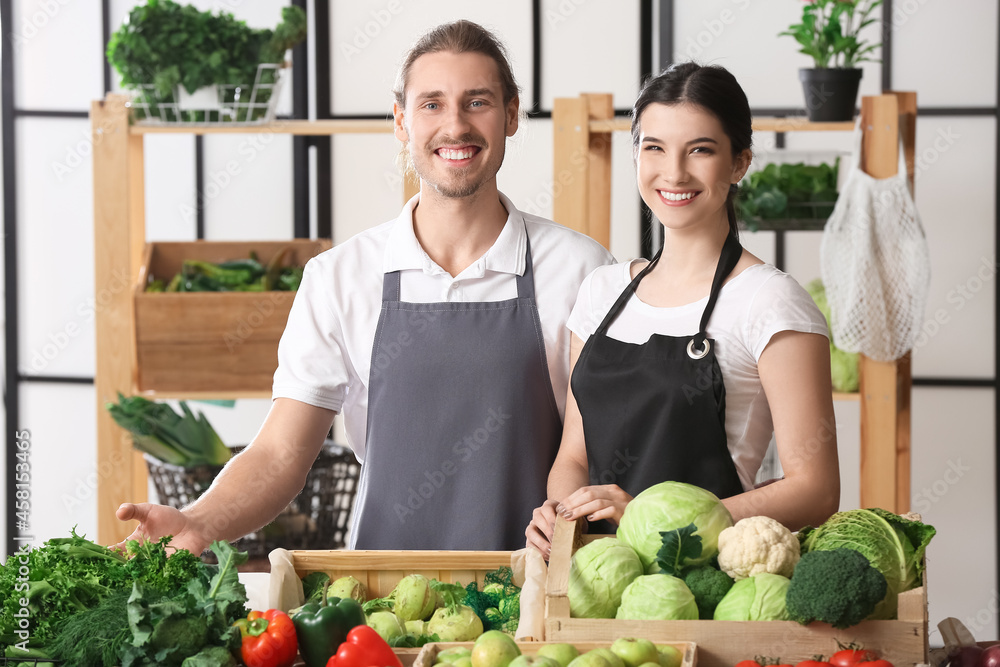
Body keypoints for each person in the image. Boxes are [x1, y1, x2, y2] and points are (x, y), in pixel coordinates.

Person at [116, 20, 613, 553]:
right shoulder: (340, 277)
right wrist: (200, 523)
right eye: (431, 105)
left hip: (535, 600)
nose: (455, 126)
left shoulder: (581, 269)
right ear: (401, 121)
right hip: (383, 606)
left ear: (511, 114)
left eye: (477, 102)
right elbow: (281, 454)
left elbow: (601, 450)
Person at [525, 63, 840, 557]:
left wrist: (663, 524)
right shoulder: (601, 292)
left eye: (700, 150)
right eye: (654, 148)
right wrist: (560, 515)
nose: (674, 172)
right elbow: (574, 456)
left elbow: (816, 490)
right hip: (596, 577)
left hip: (700, 584)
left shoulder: (769, 301)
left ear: (739, 164)